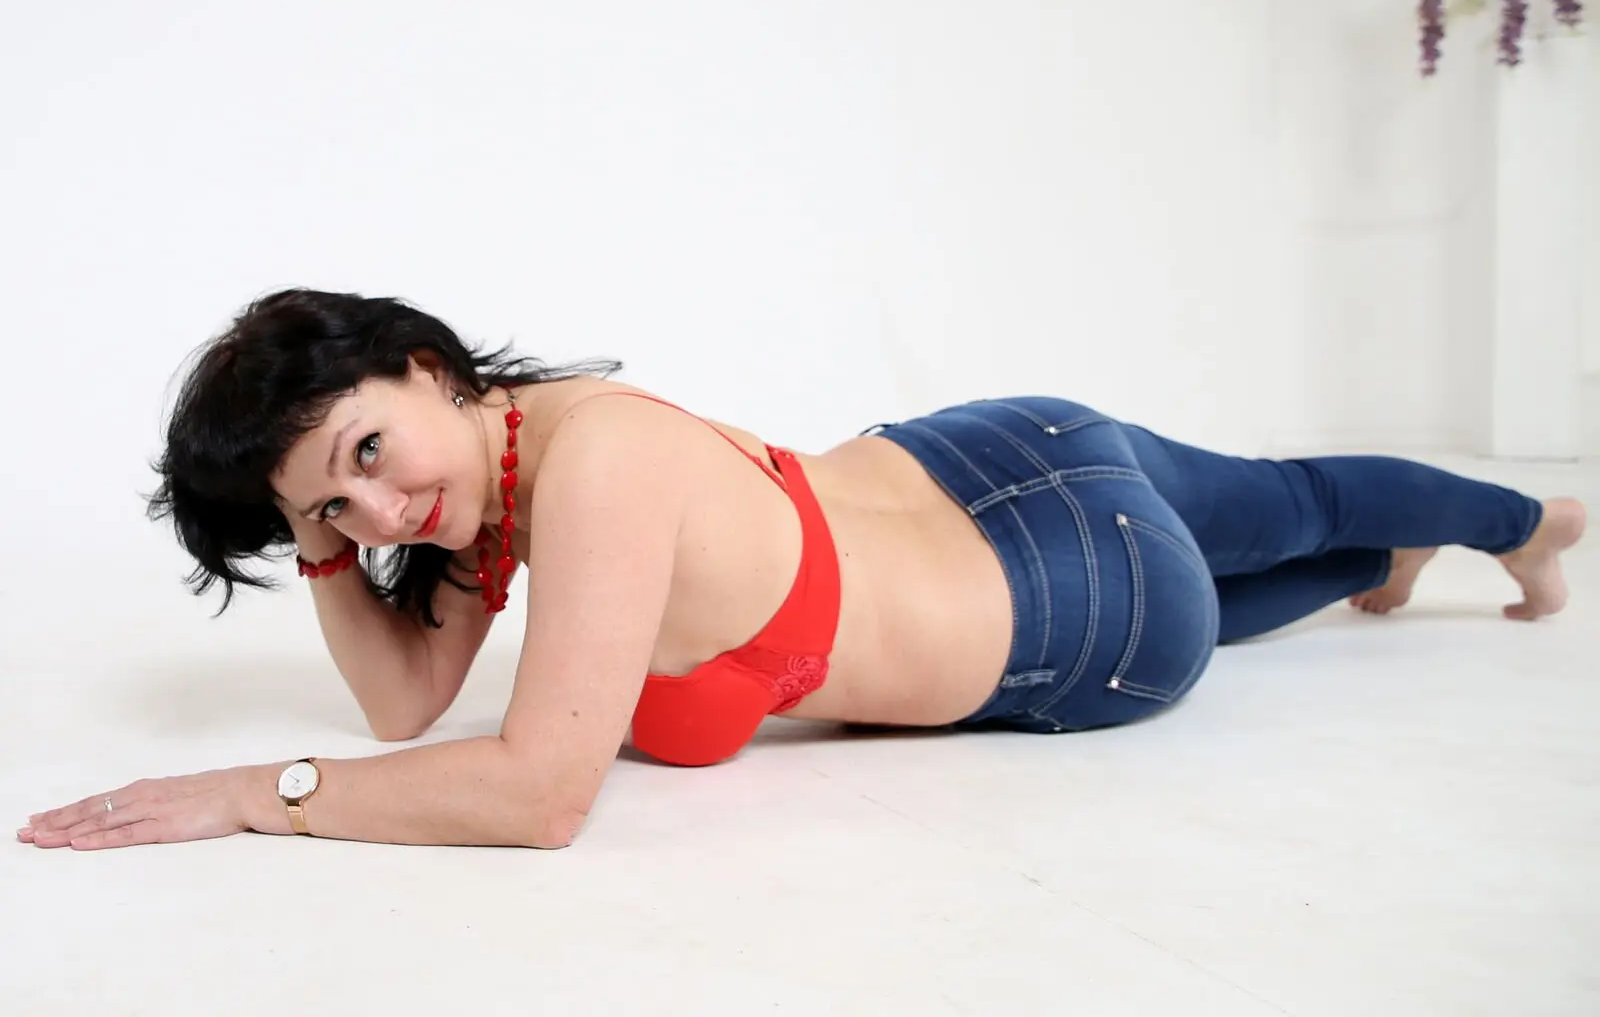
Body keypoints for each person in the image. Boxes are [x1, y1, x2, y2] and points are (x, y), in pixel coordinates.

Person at [17, 288, 1586, 852]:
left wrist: (253, 794)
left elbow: (540, 795)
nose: (377, 513)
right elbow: (405, 705)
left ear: (428, 366)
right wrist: (311, 527)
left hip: (1088, 609)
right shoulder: (493, 470)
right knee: (1297, 508)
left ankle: (1526, 528)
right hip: (999, 453)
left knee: (1247, 560)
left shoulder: (596, 471)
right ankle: (1444, 540)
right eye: (330, 512)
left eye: (366, 450)